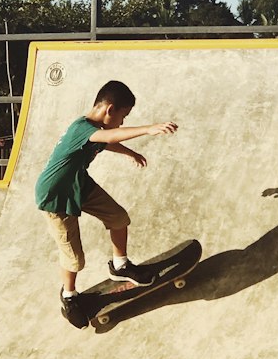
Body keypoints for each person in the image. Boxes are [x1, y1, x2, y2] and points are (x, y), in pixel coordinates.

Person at [35, 79, 178, 327]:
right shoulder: (81, 128)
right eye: (123, 117)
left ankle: (120, 265)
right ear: (109, 109)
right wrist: (147, 129)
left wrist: (130, 153)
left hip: (79, 183)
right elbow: (110, 135)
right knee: (74, 258)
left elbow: (107, 141)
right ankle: (69, 297)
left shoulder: (94, 130)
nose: (122, 122)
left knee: (118, 217)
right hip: (55, 196)